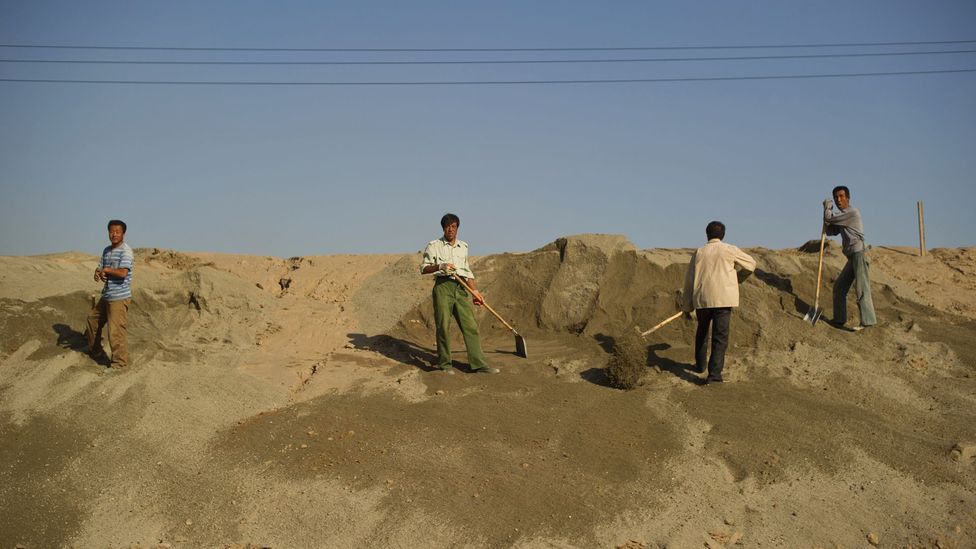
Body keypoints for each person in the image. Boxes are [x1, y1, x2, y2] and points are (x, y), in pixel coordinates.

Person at [420, 213, 499, 374]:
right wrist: (440, 266)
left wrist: (474, 291)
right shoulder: (434, 245)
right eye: (447, 226)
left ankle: (479, 364)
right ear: (443, 228)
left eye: (453, 226)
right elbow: (424, 268)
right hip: (443, 287)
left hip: (461, 288)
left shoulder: (463, 246)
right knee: (443, 326)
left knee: (470, 326)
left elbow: (466, 272)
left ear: (457, 228)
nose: (450, 229)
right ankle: (444, 364)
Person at [682, 221, 756, 384]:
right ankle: (714, 375)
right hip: (723, 298)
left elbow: (689, 280)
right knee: (720, 337)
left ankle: (700, 366)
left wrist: (687, 304)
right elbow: (751, 264)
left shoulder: (699, 252)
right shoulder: (730, 249)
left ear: (707, 234)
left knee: (702, 332)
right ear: (723, 235)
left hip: (702, 299)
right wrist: (738, 278)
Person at [823, 185, 876, 331]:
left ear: (848, 198)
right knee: (839, 287)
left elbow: (829, 217)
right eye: (836, 197)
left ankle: (868, 323)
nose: (838, 200)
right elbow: (831, 231)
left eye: (841, 196)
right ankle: (839, 320)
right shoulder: (842, 217)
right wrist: (826, 217)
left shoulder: (851, 213)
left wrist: (827, 209)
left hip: (859, 254)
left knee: (862, 289)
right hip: (852, 257)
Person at [86, 219, 134, 369]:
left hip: (119, 297)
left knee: (115, 331)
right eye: (111, 231)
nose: (114, 234)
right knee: (92, 320)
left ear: (123, 233)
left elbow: (123, 273)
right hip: (107, 295)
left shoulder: (126, 251)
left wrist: (107, 270)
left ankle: (119, 363)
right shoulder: (106, 250)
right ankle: (96, 352)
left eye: (117, 232)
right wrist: (97, 273)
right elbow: (100, 267)